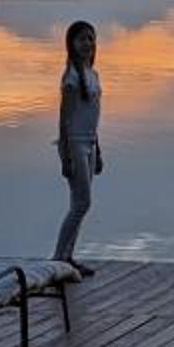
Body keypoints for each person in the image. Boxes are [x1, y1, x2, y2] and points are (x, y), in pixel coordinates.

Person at [53, 19, 102, 272]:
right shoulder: (71, 77)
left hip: (90, 145)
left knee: (79, 204)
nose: (87, 43)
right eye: (82, 39)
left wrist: (99, 149)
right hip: (74, 145)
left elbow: (93, 114)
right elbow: (64, 119)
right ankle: (58, 258)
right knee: (82, 203)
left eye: (90, 39)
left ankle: (67, 258)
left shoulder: (93, 74)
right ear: (71, 44)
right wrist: (66, 156)